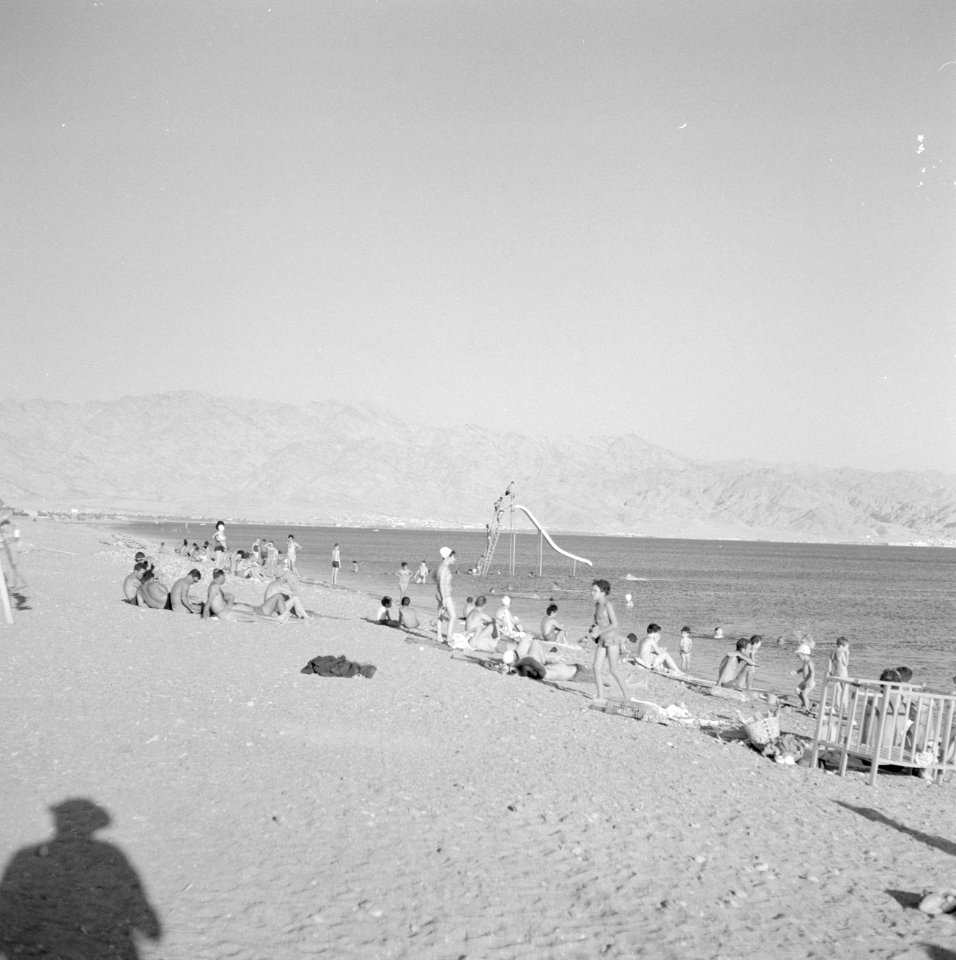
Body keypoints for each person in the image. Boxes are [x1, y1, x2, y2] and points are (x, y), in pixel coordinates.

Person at [589, 579, 631, 703]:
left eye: (594, 590)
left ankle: (627, 697)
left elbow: (614, 624)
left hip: (612, 640)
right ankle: (601, 696)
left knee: (614, 670)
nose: (592, 593)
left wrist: (599, 632)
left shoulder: (608, 605)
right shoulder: (597, 605)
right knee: (596, 668)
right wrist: (594, 630)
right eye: (592, 590)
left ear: (603, 592)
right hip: (602, 640)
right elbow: (598, 622)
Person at [202, 569, 290, 623]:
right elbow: (209, 602)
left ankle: (279, 619)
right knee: (253, 616)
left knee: (253, 615)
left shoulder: (215, 586)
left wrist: (229, 604)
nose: (225, 579)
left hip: (226, 611)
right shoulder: (215, 586)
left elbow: (226, 598)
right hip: (225, 613)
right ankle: (278, 620)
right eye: (224, 577)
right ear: (220, 576)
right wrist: (205, 617)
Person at [434, 547, 456, 645]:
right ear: (448, 557)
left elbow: (435, 578)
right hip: (445, 595)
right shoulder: (444, 569)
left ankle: (439, 637)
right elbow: (441, 583)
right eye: (453, 557)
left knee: (441, 615)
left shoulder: (441, 567)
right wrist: (443, 598)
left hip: (441, 594)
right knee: (453, 616)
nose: (454, 559)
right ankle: (449, 637)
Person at [792, 643, 816, 711]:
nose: (798, 656)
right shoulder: (805, 661)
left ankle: (807, 708)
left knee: (804, 694)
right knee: (797, 690)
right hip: (805, 681)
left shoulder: (809, 662)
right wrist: (796, 672)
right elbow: (803, 669)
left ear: (803, 654)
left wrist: (810, 680)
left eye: (799, 655)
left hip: (810, 681)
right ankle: (804, 703)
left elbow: (812, 672)